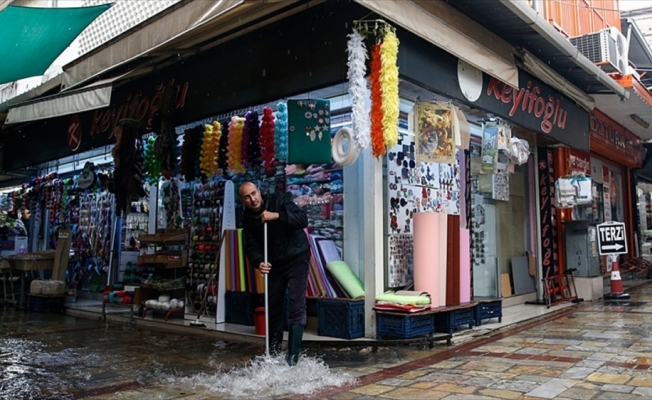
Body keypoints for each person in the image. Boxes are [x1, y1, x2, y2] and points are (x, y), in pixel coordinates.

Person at [240, 181, 310, 365]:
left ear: (259, 191)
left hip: (297, 256)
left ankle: (293, 358)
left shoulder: (280, 200)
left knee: (296, 304)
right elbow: (251, 245)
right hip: (274, 263)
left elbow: (302, 219)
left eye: (254, 193)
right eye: (247, 197)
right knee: (273, 306)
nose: (252, 199)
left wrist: (276, 216)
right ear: (243, 200)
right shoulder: (247, 217)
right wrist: (258, 262)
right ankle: (273, 352)